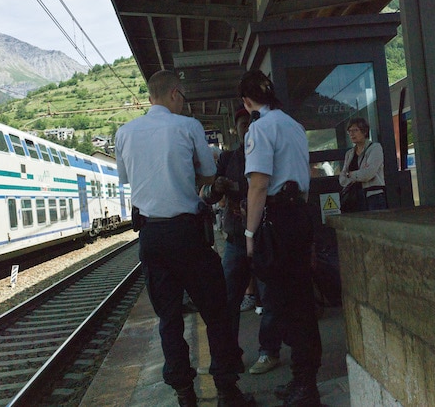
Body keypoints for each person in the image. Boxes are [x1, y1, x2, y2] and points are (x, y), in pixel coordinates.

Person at [115, 70, 254, 407]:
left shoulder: (124, 133)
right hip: (187, 234)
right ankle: (226, 390)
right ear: (175, 94)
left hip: (151, 236)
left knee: (169, 318)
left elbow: (125, 178)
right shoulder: (188, 127)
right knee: (215, 310)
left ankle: (184, 394)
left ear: (151, 98)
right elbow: (207, 177)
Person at [241, 69, 322, 406]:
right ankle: (303, 381)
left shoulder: (260, 129)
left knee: (289, 304)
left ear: (246, 102)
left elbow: (258, 184)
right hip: (300, 214)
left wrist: (249, 232)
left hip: (278, 221)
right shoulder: (293, 125)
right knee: (300, 300)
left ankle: (305, 388)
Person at [200, 107, 282, 377]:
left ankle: (268, 352)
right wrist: (217, 188)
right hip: (236, 239)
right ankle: (231, 355)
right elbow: (207, 196)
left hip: (265, 237)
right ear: (236, 129)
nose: (247, 127)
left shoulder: (268, 152)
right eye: (243, 124)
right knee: (228, 300)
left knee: (269, 297)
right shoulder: (227, 158)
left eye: (250, 123)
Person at [339, 117, 387, 211]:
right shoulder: (349, 154)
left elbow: (368, 174)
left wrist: (350, 174)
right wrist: (359, 173)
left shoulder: (375, 148)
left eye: (355, 130)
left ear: (364, 132)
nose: (352, 134)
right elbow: (342, 179)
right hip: (354, 198)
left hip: (373, 197)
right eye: (349, 131)